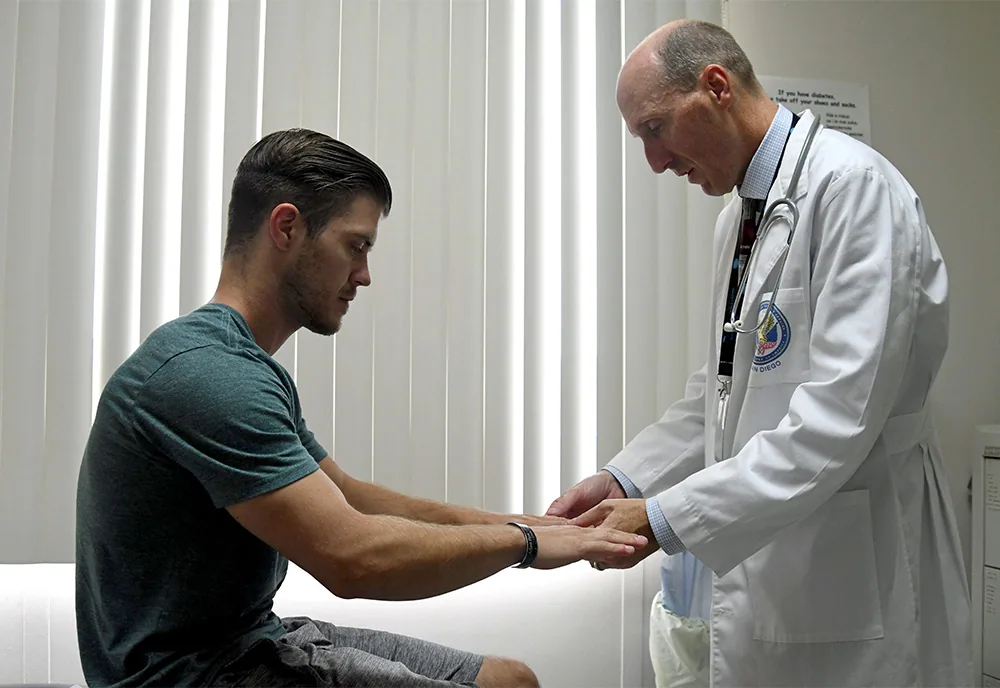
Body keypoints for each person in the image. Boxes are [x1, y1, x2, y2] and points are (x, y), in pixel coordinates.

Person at [75, 128, 648, 688]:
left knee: (509, 679)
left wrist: (521, 523)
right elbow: (352, 558)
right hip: (192, 673)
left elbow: (347, 495)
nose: (364, 276)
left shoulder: (234, 365)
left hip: (244, 640)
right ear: (286, 227)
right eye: (356, 246)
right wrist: (524, 545)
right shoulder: (208, 375)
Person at [546, 19, 972, 687]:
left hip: (859, 560)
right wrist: (626, 479)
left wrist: (662, 519)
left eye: (655, 129)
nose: (655, 162)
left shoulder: (854, 189)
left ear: (716, 87)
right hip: (780, 558)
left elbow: (839, 418)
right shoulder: (741, 217)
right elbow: (722, 391)